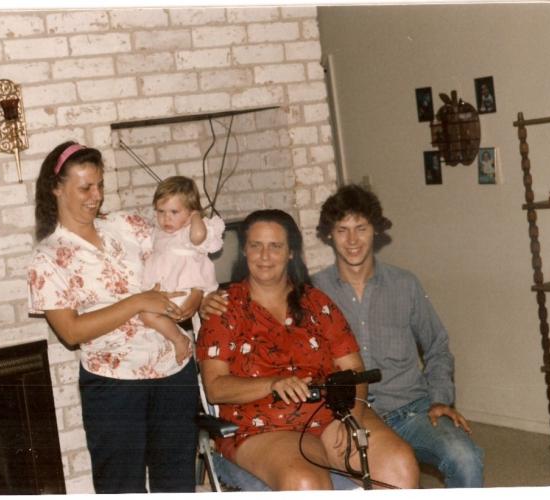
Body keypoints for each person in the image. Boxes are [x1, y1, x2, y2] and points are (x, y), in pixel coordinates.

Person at [196, 209, 419, 491]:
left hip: (332, 414)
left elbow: (354, 370)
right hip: (264, 424)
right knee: (306, 482)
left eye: (275, 246)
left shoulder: (317, 302)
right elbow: (215, 387)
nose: (264, 256)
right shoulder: (224, 308)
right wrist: (273, 384)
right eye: (256, 245)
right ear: (244, 251)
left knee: (400, 466)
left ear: (291, 252)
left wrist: (352, 415)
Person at [26, 141, 200, 493]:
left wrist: (197, 296)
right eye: (85, 188)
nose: (97, 196)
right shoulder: (47, 258)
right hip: (114, 385)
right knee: (121, 487)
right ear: (56, 188)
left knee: (178, 483)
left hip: (174, 371)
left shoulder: (127, 225)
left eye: (100, 185)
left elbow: (184, 255)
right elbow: (71, 332)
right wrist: (136, 302)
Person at [311, 183, 484, 488]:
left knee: (466, 457)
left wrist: (440, 399)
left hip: (411, 411)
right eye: (342, 230)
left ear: (376, 230)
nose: (352, 240)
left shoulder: (405, 284)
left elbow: (437, 346)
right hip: (347, 416)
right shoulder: (313, 291)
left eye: (361, 228)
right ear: (329, 235)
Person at [141, 176, 224, 365]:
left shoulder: (189, 231)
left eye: (174, 212)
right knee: (145, 315)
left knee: (148, 314)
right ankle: (179, 339)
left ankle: (179, 340)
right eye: (161, 211)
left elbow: (199, 236)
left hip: (183, 290)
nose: (166, 218)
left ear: (190, 212)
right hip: (165, 291)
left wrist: (195, 217)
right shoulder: (159, 233)